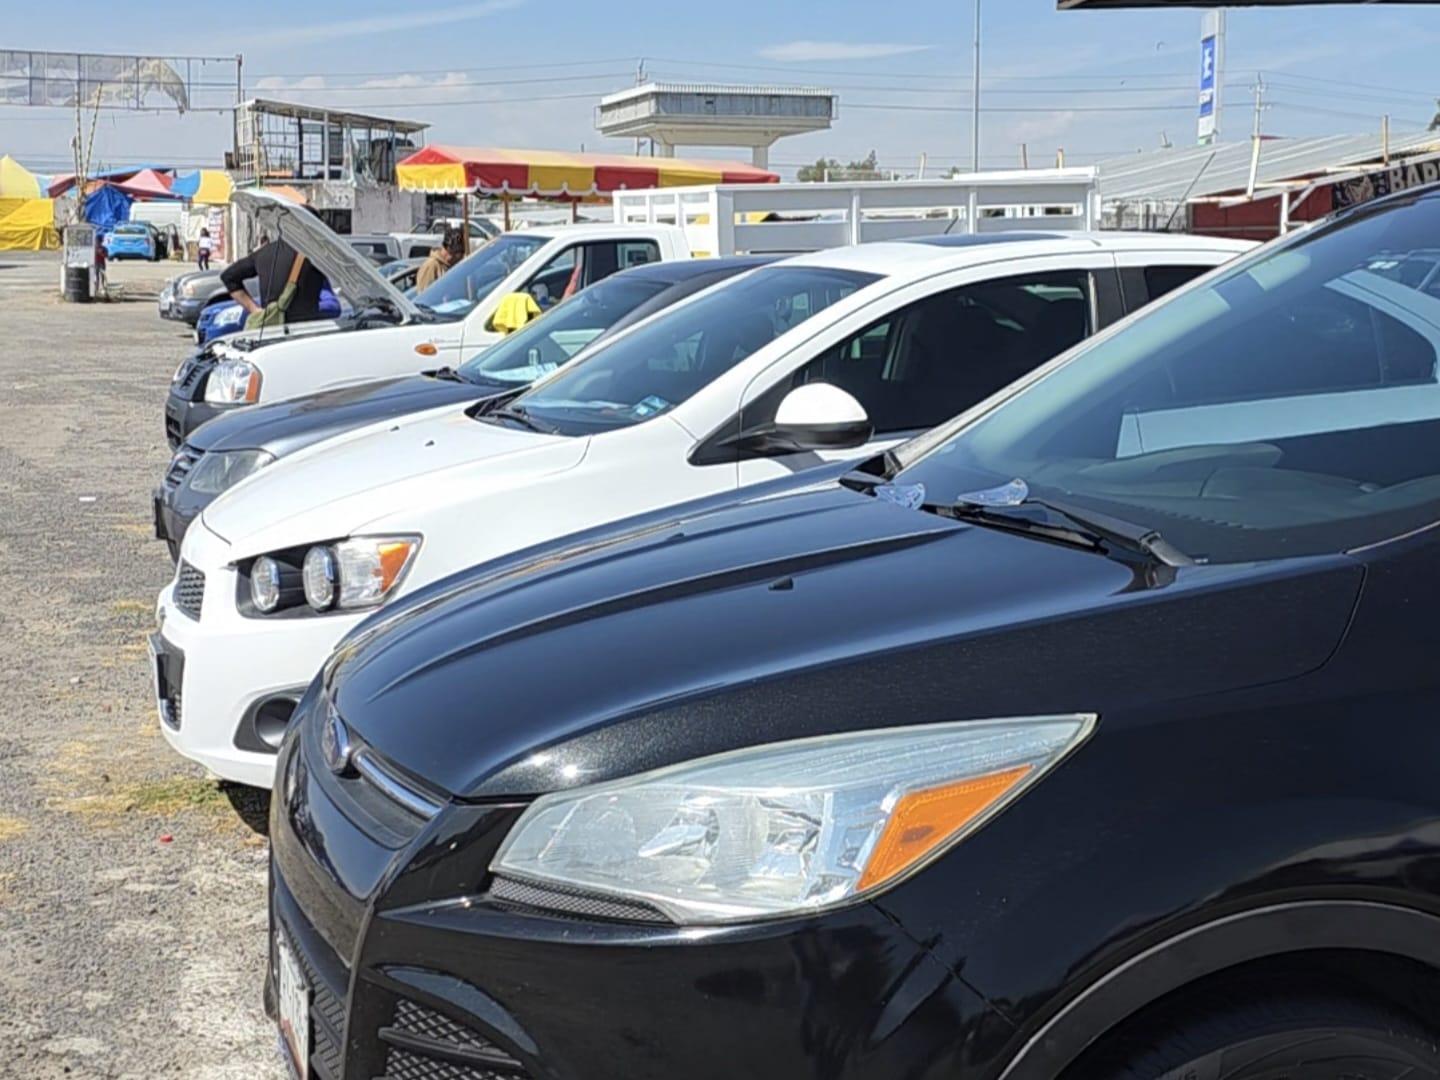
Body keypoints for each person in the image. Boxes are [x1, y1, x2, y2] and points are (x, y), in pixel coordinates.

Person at [220, 233, 327, 325]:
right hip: (306, 330)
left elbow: (228, 276)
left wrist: (254, 309)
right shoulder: (318, 257)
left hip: (271, 329)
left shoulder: (264, 253)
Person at [415, 226, 464, 292]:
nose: (462, 257)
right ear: (450, 249)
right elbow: (424, 295)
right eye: (460, 252)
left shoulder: (450, 267)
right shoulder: (431, 266)